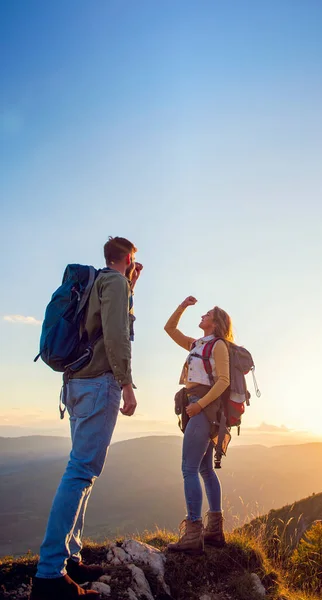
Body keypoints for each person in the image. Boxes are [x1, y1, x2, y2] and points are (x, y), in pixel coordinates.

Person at [31, 236, 142, 600]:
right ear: (128, 258)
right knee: (81, 471)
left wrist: (130, 291)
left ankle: (70, 557)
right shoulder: (115, 283)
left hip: (76, 385)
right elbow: (116, 335)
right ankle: (49, 574)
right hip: (99, 385)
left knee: (83, 472)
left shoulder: (95, 282)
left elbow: (102, 325)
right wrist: (126, 384)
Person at [164, 296, 233, 555]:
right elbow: (170, 329)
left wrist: (200, 406)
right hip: (198, 406)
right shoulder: (197, 344)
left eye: (206, 315)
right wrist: (182, 306)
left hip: (204, 408)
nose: (201, 317)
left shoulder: (218, 346)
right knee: (204, 468)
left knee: (188, 468)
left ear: (215, 323)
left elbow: (224, 381)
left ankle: (193, 533)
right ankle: (214, 531)